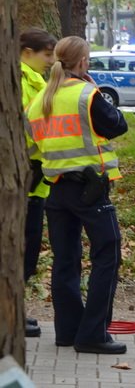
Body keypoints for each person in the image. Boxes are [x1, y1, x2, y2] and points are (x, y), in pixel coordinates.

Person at [25, 36, 129, 354]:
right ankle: (93, 334)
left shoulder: (40, 99)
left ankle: (67, 332)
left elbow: (32, 145)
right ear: (83, 62)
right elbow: (117, 126)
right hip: (90, 189)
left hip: (55, 190)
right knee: (106, 256)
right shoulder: (87, 94)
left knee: (65, 261)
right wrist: (93, 87)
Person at [20, 28, 57, 338]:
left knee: (29, 251)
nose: (50, 60)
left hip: (36, 180)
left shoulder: (36, 81)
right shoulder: (20, 80)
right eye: (46, 54)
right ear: (26, 52)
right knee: (21, 250)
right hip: (24, 179)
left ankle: (15, 312)